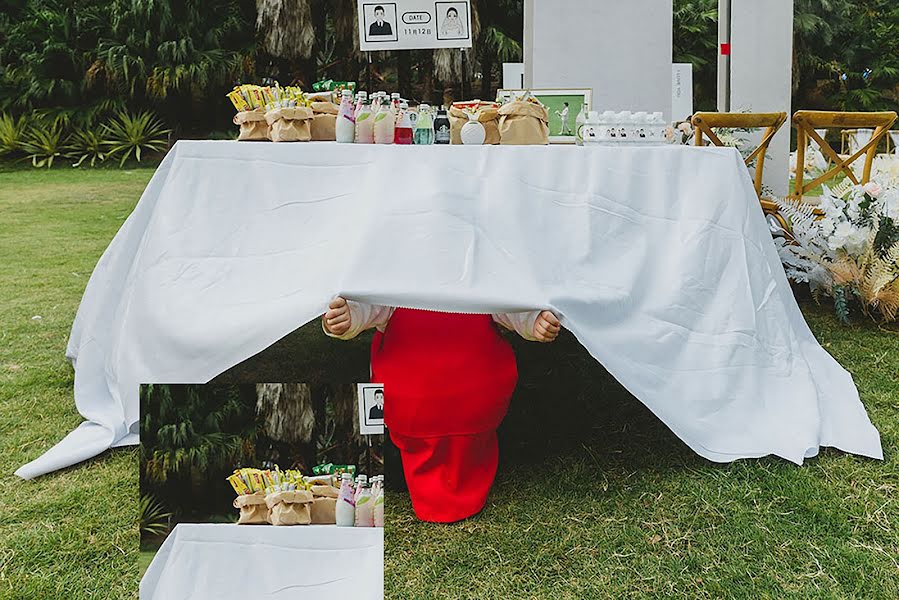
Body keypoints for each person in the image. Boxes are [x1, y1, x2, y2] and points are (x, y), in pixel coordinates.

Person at [323, 297, 561, 523]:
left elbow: (507, 304)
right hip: (418, 400)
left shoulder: (474, 276)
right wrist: (345, 319)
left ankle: (462, 475)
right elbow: (369, 304)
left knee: (467, 444)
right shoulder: (401, 277)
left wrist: (534, 322)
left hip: (469, 399)